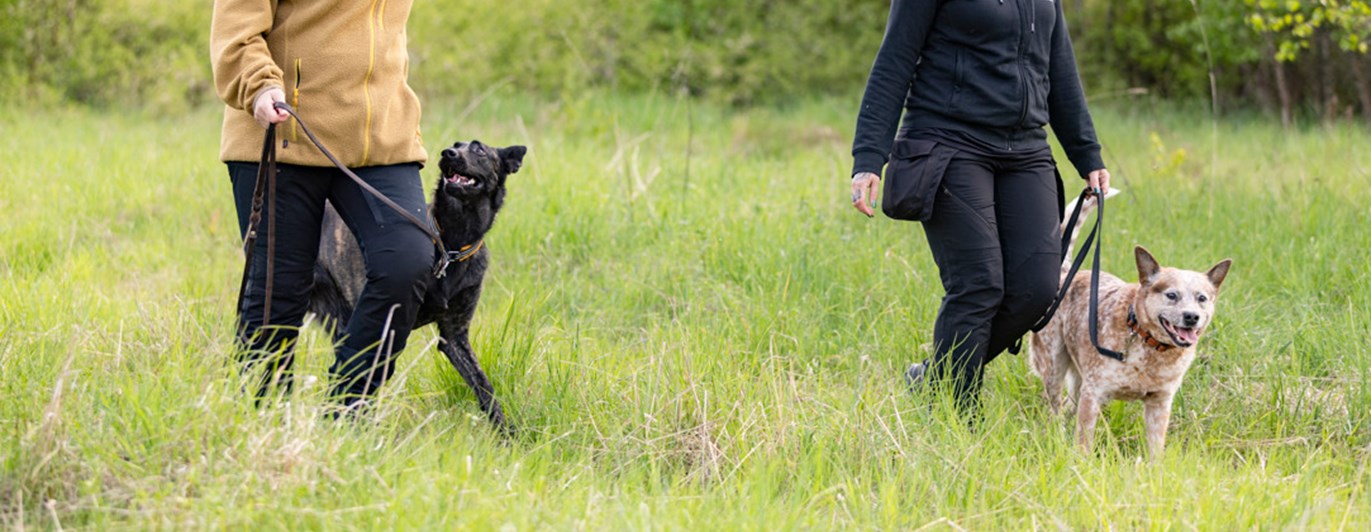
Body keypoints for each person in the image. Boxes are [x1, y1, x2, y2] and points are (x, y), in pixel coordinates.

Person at [849, 0, 1111, 413]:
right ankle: (959, 421)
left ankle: (934, 378)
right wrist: (868, 157)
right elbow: (895, 60)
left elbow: (1059, 66)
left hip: (1024, 148)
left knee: (1037, 289)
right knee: (979, 284)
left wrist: (1086, 153)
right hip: (948, 141)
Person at [211, 0, 435, 409]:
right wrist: (259, 84)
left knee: (408, 261)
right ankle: (260, 431)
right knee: (278, 292)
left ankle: (346, 411)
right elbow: (236, 28)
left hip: (381, 137)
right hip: (283, 129)